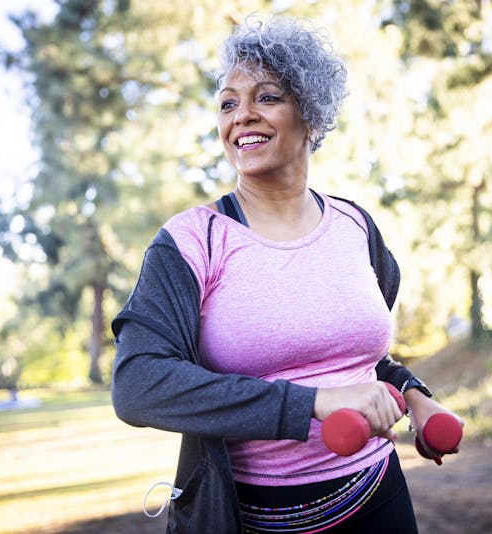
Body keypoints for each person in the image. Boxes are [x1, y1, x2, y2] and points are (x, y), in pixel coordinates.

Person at [111, 16, 462, 533]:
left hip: (377, 497)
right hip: (249, 516)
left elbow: (358, 356)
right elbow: (138, 384)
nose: (242, 117)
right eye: (228, 103)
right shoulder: (191, 241)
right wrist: (314, 405)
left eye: (266, 97)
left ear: (311, 114)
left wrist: (412, 392)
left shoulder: (356, 227)